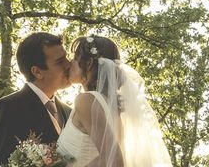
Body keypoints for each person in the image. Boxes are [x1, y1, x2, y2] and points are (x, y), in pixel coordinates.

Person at [57, 35, 172, 167]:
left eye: (75, 59)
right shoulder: (114, 110)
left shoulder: (86, 101)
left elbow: (115, 161)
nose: (70, 63)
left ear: (88, 64)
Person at [0, 32, 72, 167]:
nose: (69, 65)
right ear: (37, 72)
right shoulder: (8, 109)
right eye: (60, 62)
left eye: (66, 58)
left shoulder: (70, 112)